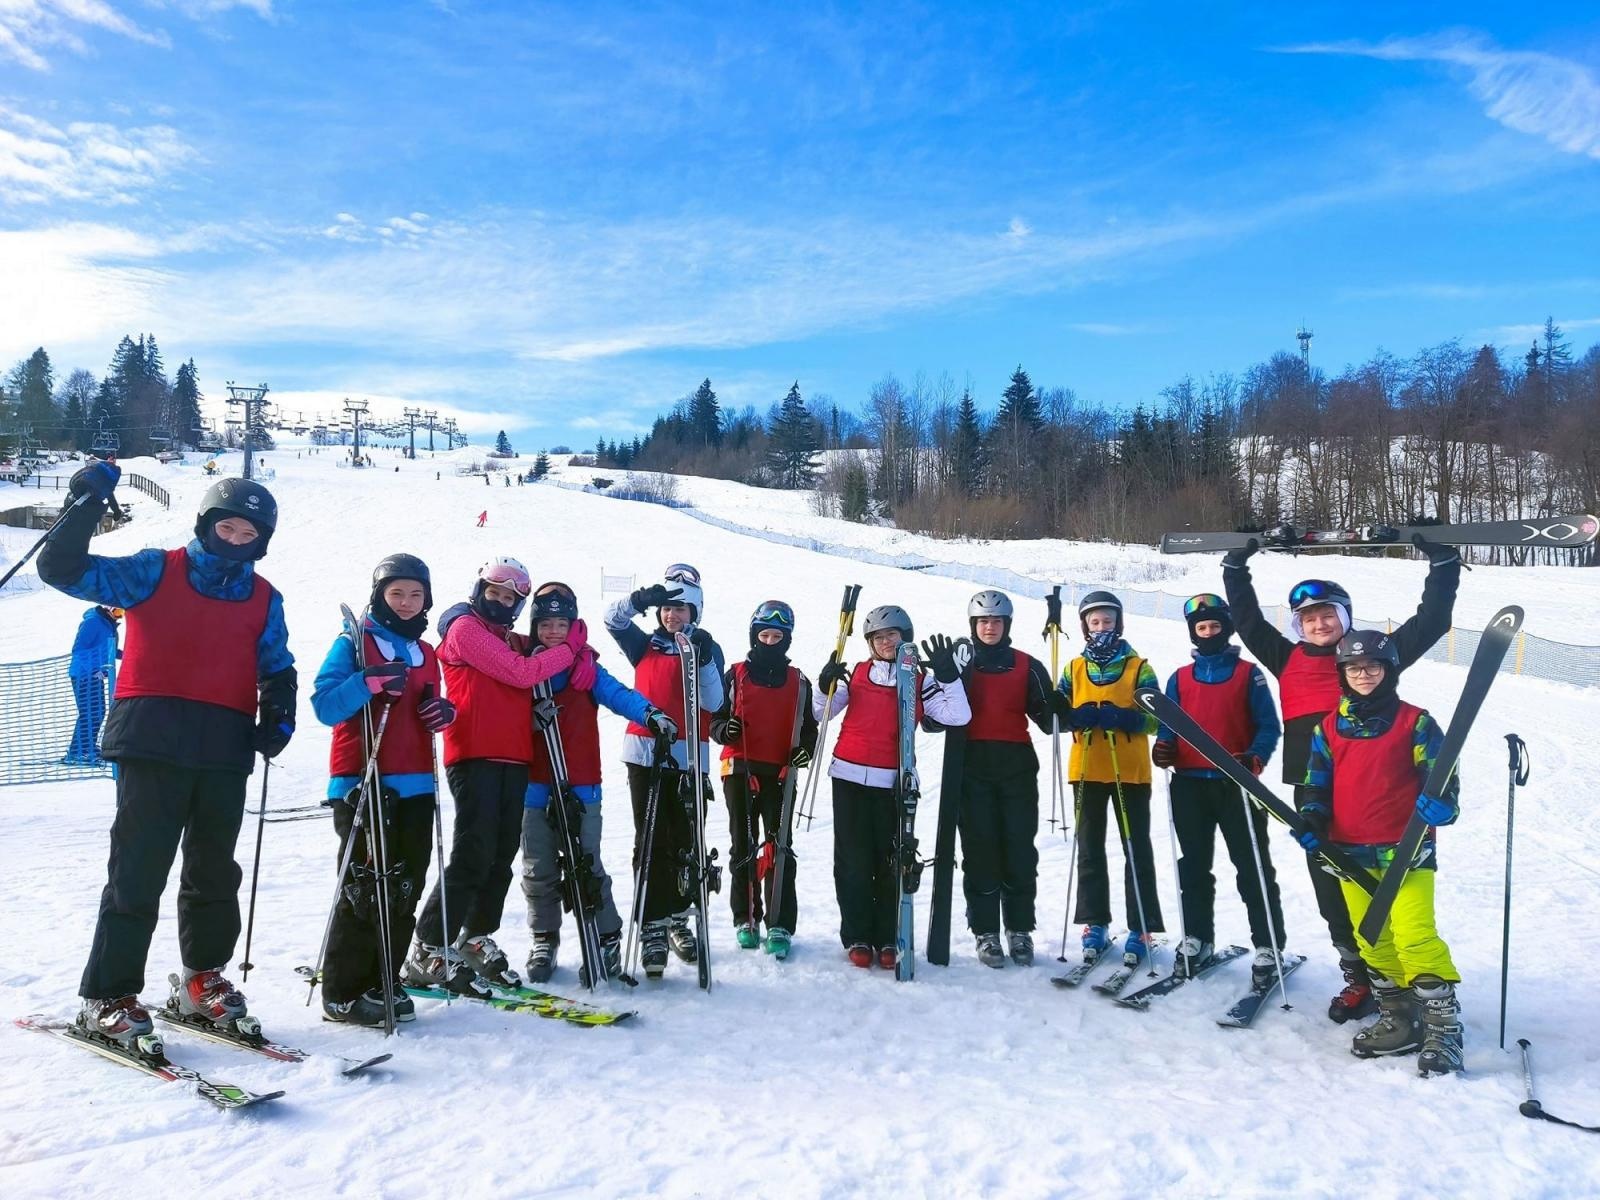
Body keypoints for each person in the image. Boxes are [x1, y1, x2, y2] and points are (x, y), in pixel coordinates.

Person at [38, 470, 295, 1050]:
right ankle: (108, 994)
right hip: (151, 735)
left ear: (262, 541)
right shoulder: (157, 568)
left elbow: (277, 663)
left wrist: (278, 710)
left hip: (224, 743)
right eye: (225, 526)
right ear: (205, 524)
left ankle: (201, 979)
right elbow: (64, 570)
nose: (235, 539)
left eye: (247, 532)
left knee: (213, 871)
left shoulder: (263, 597)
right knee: (139, 869)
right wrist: (85, 504)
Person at [1222, 531, 1459, 1021]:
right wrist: (1235, 569)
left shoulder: (1371, 656)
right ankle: (1362, 977)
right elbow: (1245, 620)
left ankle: (1406, 972)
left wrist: (1442, 563)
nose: (1319, 623)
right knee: (1333, 887)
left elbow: (1432, 621)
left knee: (1391, 884)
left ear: (1345, 619)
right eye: (1309, 618)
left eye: (1328, 614)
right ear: (1298, 625)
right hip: (1314, 789)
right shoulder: (1285, 657)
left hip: (1379, 788)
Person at [405, 557, 581, 993]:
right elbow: (521, 672)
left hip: (514, 756)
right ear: (479, 590)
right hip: (475, 754)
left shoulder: (507, 637)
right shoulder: (466, 630)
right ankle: (429, 945)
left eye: (510, 598)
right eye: (495, 593)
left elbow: (536, 650)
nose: (501, 602)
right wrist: (568, 651)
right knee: (473, 850)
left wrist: (567, 640)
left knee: (501, 853)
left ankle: (476, 936)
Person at [1296, 629, 1462, 1075]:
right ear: (1343, 674)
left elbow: (1442, 777)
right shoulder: (1327, 728)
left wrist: (1441, 804)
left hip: (1405, 854)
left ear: (1389, 671)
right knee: (1373, 940)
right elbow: (1316, 784)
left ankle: (1443, 1029)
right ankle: (1400, 1017)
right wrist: (1312, 819)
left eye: (1372, 667)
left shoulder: (1416, 722)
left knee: (1414, 936)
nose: (1364, 675)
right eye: (1354, 668)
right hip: (1350, 855)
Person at [311, 554, 456, 1025]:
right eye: (397, 593)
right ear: (380, 595)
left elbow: (429, 706)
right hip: (362, 778)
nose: (408, 603)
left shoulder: (426, 652)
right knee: (364, 888)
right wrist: (367, 682)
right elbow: (326, 705)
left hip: (415, 781)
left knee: (403, 887)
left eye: (416, 594)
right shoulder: (356, 642)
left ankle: (382, 978)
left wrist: (440, 713)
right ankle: (343, 991)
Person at [521, 581, 675, 985]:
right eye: (546, 624)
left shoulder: (584, 666)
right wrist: (527, 717)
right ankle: (544, 936)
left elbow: (619, 694)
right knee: (538, 867)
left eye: (561, 623)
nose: (554, 631)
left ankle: (606, 937)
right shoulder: (520, 663)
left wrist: (651, 714)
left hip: (583, 781)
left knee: (587, 864)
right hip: (534, 783)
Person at [816, 604, 969, 969]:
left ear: (905, 637)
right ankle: (857, 934)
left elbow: (957, 715)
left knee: (890, 861)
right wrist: (826, 686)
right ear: (870, 642)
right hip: (849, 776)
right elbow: (819, 713)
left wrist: (947, 676)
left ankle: (887, 934)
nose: (886, 642)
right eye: (879, 637)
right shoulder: (858, 675)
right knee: (853, 862)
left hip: (893, 782)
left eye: (892, 635)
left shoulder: (919, 679)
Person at [1152, 593, 1285, 984]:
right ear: (1193, 632)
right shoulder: (1180, 677)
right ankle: (1197, 937)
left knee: (1252, 866)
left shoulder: (1249, 674)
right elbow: (1168, 724)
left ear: (1226, 629)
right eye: (1201, 628)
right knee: (1193, 866)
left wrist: (1255, 758)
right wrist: (1164, 748)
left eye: (1214, 627)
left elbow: (1268, 725)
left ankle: (1268, 943)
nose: (1208, 633)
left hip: (1236, 786)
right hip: (1190, 784)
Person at [604, 563, 726, 979]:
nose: (673, 616)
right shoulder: (645, 645)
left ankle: (678, 917)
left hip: (691, 755)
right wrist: (639, 600)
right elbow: (611, 619)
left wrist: (705, 658)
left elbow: (713, 701)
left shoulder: (704, 646)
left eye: (682, 609)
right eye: (667, 609)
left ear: (695, 613)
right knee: (650, 838)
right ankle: (651, 923)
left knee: (686, 840)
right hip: (645, 751)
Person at [1058, 591, 1164, 966]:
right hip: (1087, 767)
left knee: (1136, 848)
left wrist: (1129, 718)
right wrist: (1073, 715)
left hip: (1130, 770)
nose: (1101, 627)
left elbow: (1159, 718)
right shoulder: (1073, 668)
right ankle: (1095, 922)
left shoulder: (1139, 667)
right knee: (1089, 848)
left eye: (1108, 620)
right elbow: (1054, 716)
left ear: (1119, 623)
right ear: (1085, 625)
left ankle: (1141, 926)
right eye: (1094, 621)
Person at [952, 590, 1056, 968]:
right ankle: (985, 931)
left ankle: (1019, 928)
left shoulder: (1027, 666)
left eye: (996, 622)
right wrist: (947, 677)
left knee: (1018, 849)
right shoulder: (962, 666)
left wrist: (1056, 706)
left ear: (1006, 625)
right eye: (983, 622)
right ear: (973, 626)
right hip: (973, 765)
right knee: (980, 850)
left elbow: (1048, 723)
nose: (990, 627)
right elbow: (936, 716)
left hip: (1016, 765)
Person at [709, 600, 818, 960]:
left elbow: (808, 727)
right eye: (764, 635)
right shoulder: (736, 673)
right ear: (754, 635)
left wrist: (805, 749)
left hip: (780, 771)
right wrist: (727, 729)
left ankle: (780, 922)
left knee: (779, 845)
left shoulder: (798, 680)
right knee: (743, 843)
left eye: (777, 636)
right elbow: (714, 721)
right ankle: (746, 917)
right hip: (740, 766)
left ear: (786, 639)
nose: (770, 642)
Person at [63, 605, 122, 766]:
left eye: (122, 612)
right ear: (108, 609)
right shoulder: (93, 623)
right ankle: (78, 751)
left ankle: (86, 746)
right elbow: (79, 649)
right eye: (117, 612)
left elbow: (109, 649)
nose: (119, 616)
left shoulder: (108, 625)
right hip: (83, 675)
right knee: (90, 712)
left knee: (98, 712)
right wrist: (92, 670)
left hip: (97, 675)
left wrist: (127, 654)